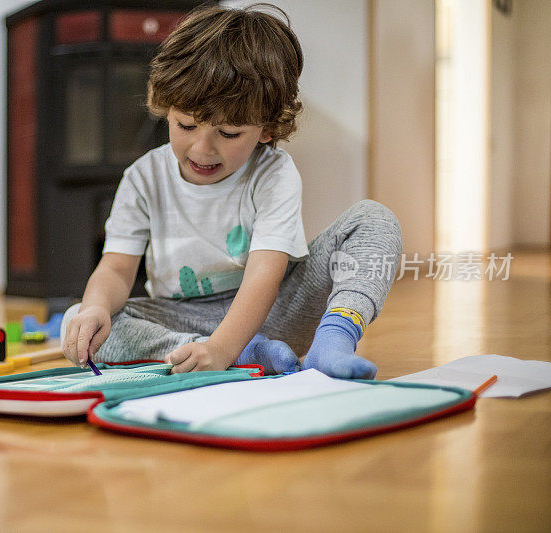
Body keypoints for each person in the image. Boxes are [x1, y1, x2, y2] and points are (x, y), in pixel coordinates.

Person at [60, 4, 402, 378]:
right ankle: (246, 355)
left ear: (267, 129)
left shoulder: (273, 173)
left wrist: (223, 346)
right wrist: (95, 307)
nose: (203, 149)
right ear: (166, 109)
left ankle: (332, 340)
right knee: (82, 320)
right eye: (186, 125)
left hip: (276, 309)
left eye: (228, 133)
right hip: (184, 320)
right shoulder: (143, 178)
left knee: (374, 219)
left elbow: (264, 276)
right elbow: (116, 269)